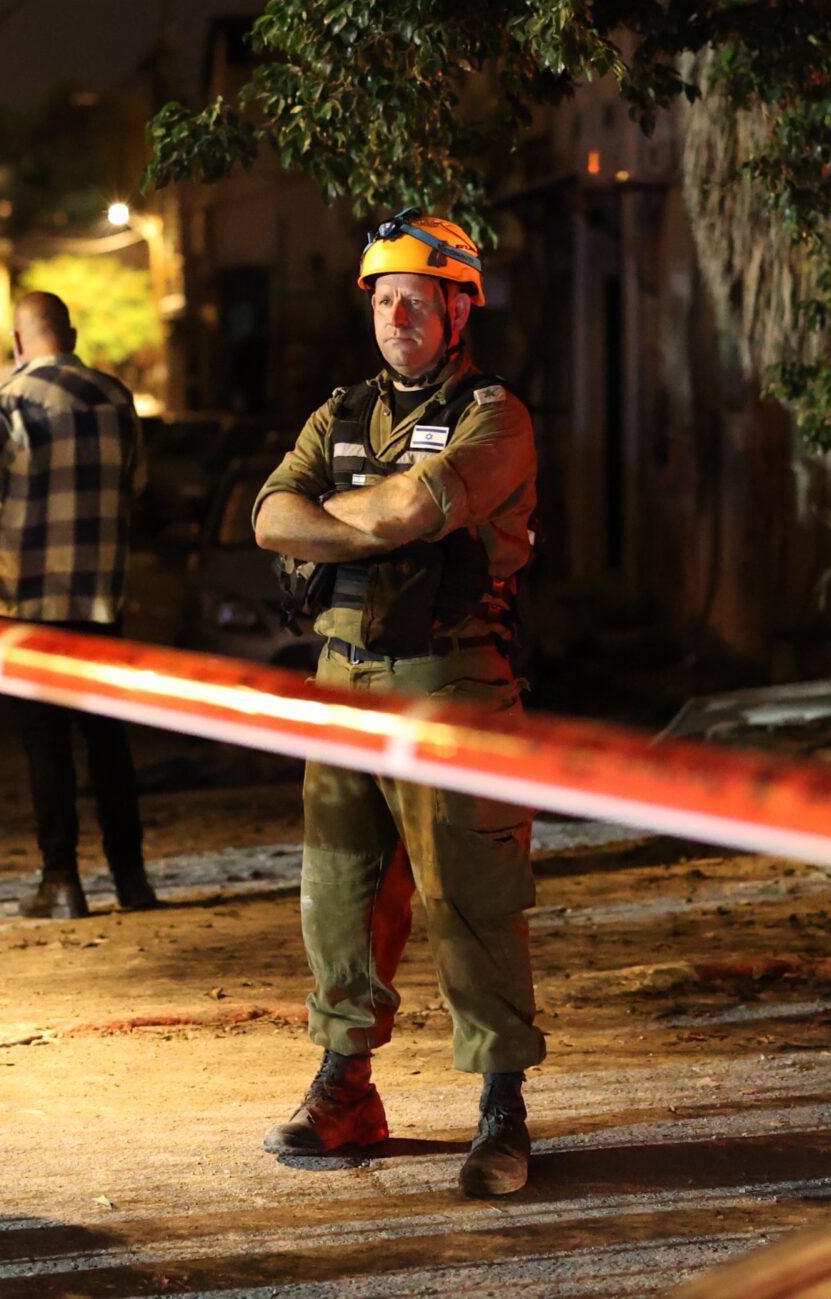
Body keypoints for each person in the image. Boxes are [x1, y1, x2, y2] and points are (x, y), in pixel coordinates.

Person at [252, 209, 544, 1198]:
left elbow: (416, 509)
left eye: (421, 298)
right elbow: (266, 517)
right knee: (336, 894)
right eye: (385, 299)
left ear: (463, 306)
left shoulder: (494, 415)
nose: (400, 316)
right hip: (340, 679)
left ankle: (501, 1110)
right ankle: (346, 1090)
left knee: (472, 896)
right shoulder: (338, 415)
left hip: (450, 680)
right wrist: (367, 522)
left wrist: (341, 521)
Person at [0, 292, 155, 920]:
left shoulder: (5, 399)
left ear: (17, 341)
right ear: (73, 334)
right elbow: (135, 484)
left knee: (46, 743)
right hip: (96, 597)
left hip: (24, 596)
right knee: (107, 739)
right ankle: (132, 880)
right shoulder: (116, 398)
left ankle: (61, 881)